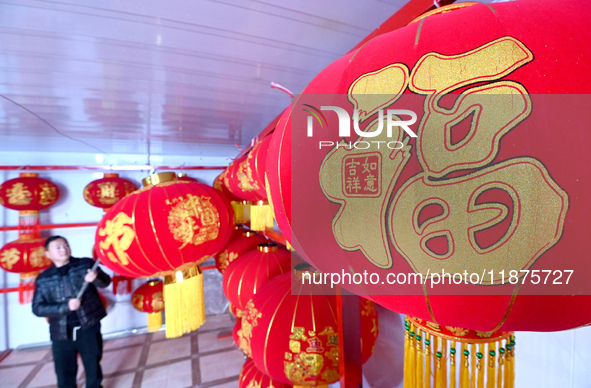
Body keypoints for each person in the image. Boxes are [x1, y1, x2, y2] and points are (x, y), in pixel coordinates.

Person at [32, 235, 111, 388]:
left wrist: (96, 277)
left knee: (92, 365)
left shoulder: (85, 264)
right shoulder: (44, 278)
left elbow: (105, 282)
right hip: (60, 332)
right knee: (64, 371)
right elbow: (37, 308)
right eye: (58, 247)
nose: (63, 249)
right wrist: (65, 307)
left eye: (66, 245)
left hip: (88, 326)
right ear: (48, 254)